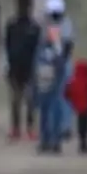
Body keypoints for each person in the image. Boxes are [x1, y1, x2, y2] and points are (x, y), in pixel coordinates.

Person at [4, 0, 42, 143]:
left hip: (29, 67)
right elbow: (7, 46)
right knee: (16, 99)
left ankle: (29, 127)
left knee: (30, 99)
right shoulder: (12, 25)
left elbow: (37, 49)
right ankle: (16, 128)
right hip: (16, 66)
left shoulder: (34, 27)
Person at [44, 0, 76, 141]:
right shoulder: (47, 25)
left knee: (65, 96)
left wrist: (61, 60)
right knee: (51, 97)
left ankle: (65, 126)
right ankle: (52, 126)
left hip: (64, 63)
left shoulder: (66, 23)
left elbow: (69, 44)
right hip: (50, 64)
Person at [33, 23, 69, 154]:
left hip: (52, 83)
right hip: (44, 82)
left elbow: (60, 67)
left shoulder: (55, 49)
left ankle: (53, 141)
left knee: (53, 111)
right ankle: (47, 140)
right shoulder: (43, 49)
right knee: (46, 112)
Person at [66, 56, 87, 153]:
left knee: (80, 125)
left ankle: (81, 142)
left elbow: (67, 92)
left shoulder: (73, 81)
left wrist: (70, 100)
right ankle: (85, 143)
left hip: (78, 107)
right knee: (86, 125)